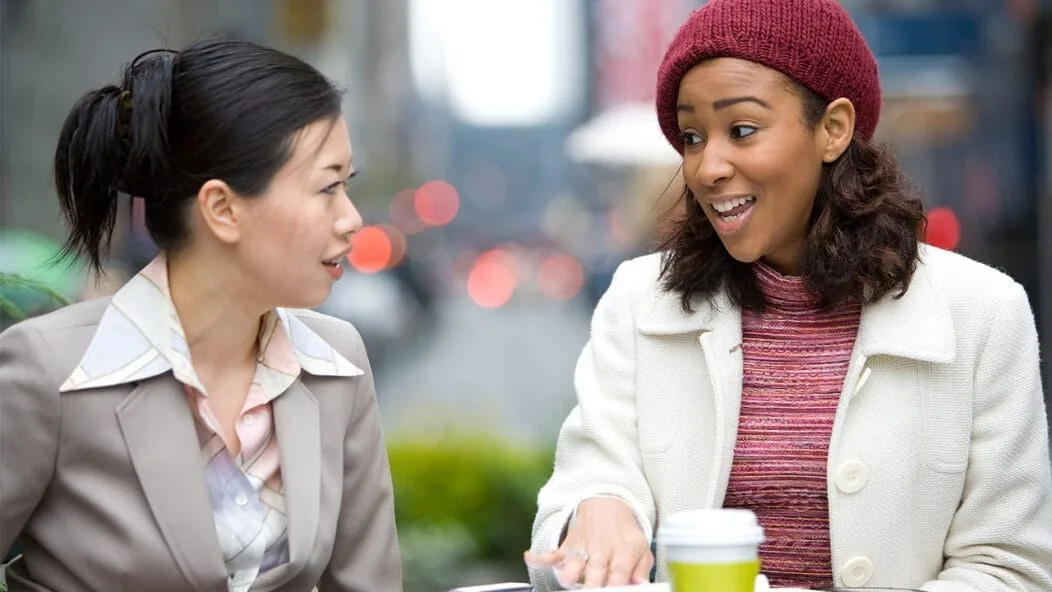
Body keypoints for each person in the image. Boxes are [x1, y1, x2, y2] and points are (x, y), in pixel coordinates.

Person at [525, 0, 1052, 590]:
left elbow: (1012, 569)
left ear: (833, 129)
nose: (707, 167)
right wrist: (595, 508)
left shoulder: (984, 313)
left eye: (742, 129)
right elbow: (576, 501)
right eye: (692, 136)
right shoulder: (638, 299)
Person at [0, 38, 402, 592]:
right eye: (327, 188)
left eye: (347, 187)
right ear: (222, 208)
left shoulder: (337, 363)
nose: (352, 219)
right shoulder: (51, 370)